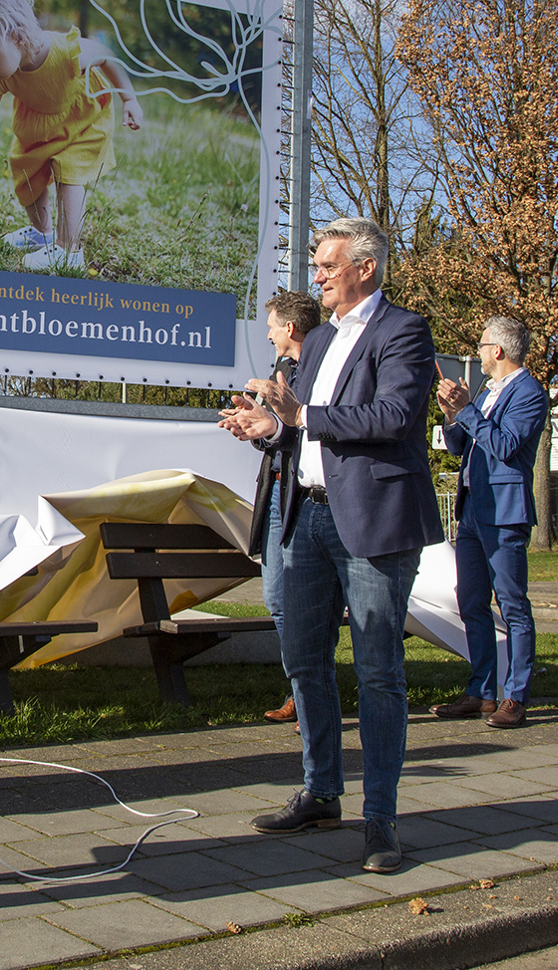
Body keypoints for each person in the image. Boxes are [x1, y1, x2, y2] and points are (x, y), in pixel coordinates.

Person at [219, 217, 441, 874]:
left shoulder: (404, 330)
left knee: (378, 671)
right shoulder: (317, 341)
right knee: (304, 664)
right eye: (316, 265)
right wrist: (267, 428)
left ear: (364, 269)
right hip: (305, 520)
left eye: (326, 265)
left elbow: (395, 417)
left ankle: (382, 820)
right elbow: (299, 431)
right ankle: (321, 792)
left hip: (371, 522)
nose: (316, 276)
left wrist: (300, 417)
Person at [0, 0, 143, 274]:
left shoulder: (65, 52)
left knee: (69, 175)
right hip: (39, 128)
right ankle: (42, 233)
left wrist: (130, 99)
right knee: (26, 174)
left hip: (83, 121)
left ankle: (69, 252)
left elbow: (108, 57)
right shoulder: (0, 75)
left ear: (17, 36)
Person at [432, 316, 548, 729]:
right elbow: (461, 445)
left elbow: (504, 445)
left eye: (481, 345)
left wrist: (467, 411)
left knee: (513, 605)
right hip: (473, 513)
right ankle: (481, 691)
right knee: (472, 602)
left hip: (505, 513)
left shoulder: (529, 393)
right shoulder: (486, 392)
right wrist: (452, 415)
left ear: (497, 351)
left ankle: (515, 695)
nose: (477, 352)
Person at [248, 289, 323, 725]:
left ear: (290, 328)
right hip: (275, 494)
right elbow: (274, 433)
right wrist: (253, 424)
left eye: (273, 325)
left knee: (309, 604)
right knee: (277, 597)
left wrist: (279, 424)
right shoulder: (281, 369)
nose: (270, 334)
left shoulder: (319, 370)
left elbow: (310, 428)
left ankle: (311, 692)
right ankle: (301, 689)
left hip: (308, 496)